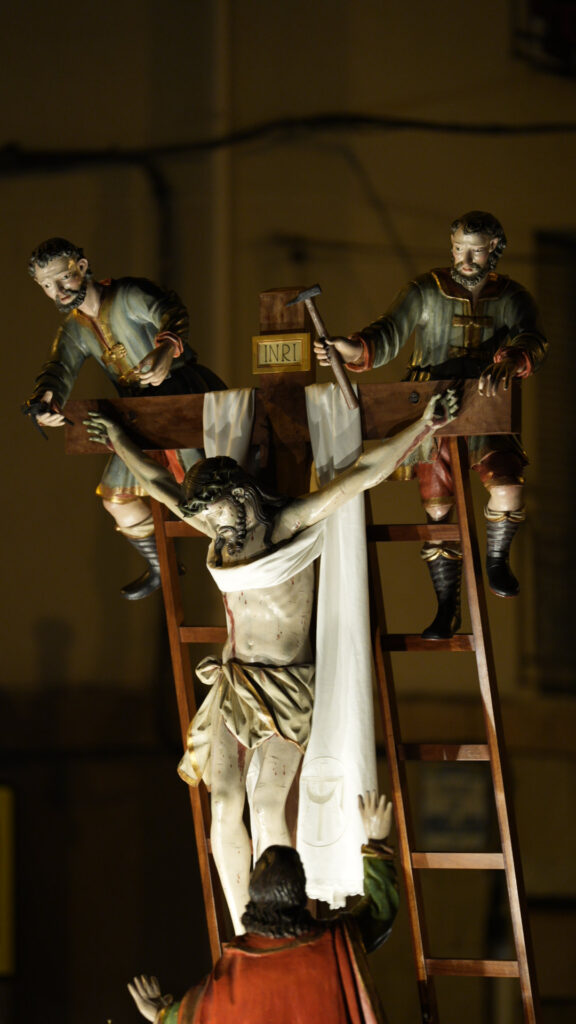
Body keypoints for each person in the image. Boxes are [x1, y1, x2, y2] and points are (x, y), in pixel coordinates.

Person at [85, 388, 457, 931]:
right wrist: (119, 441)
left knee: (264, 806)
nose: (217, 529)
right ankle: (245, 931)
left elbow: (360, 475)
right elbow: (162, 486)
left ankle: (277, 921)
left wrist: (424, 425)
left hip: (285, 689)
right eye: (209, 520)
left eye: (220, 516)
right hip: (234, 686)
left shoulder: (287, 523)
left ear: (240, 494)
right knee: (221, 804)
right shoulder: (218, 528)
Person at [314, 211, 548, 639]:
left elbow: (532, 338)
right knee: (438, 509)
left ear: (494, 249)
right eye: (459, 249)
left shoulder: (513, 296)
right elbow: (387, 333)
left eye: (476, 251)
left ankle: (497, 560)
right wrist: (350, 348)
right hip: (432, 404)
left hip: (486, 400)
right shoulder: (425, 289)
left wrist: (513, 359)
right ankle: (446, 606)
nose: (466, 259)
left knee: (507, 485)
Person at [24, 237, 226, 599]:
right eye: (46, 286)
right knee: (116, 497)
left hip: (181, 398)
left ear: (82, 267)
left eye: (63, 278)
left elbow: (171, 312)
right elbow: (59, 368)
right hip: (136, 414)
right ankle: (162, 565)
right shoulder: (74, 328)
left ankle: (235, 548)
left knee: (204, 490)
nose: (58, 291)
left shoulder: (128, 295)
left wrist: (166, 348)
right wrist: (45, 401)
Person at [128, 791, 397, 1024]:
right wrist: (377, 842)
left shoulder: (236, 969)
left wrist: (161, 1014)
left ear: (253, 894)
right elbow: (380, 911)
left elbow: (199, 1014)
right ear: (300, 892)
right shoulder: (336, 942)